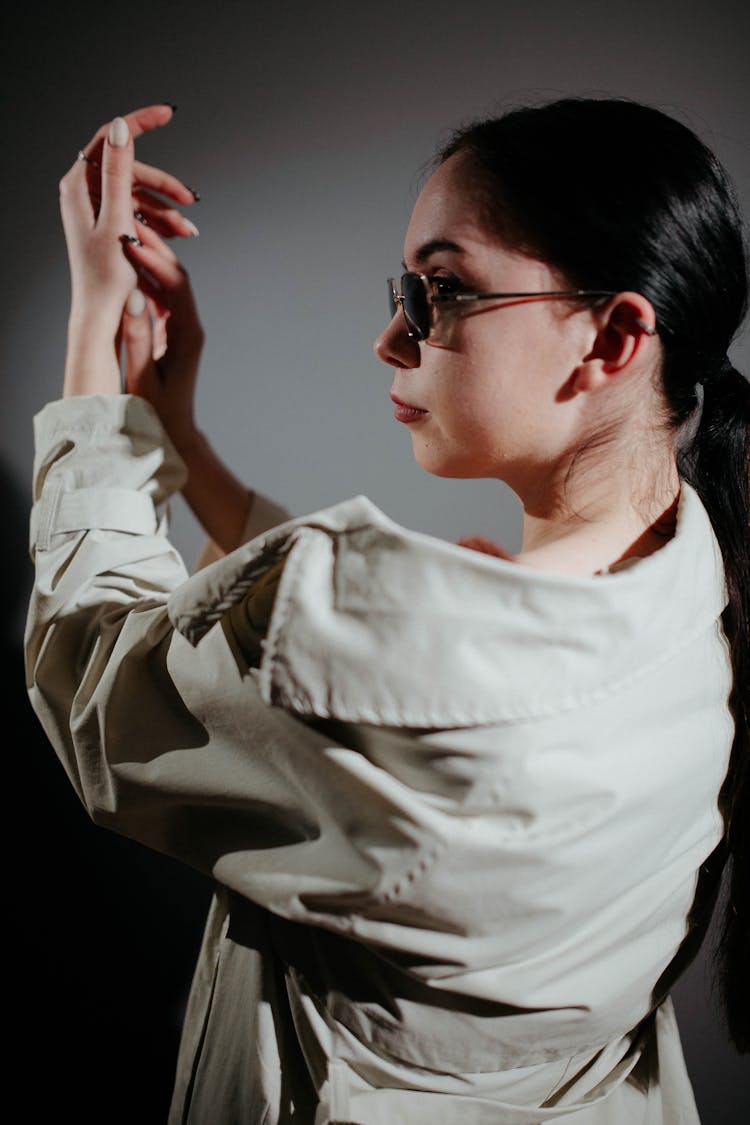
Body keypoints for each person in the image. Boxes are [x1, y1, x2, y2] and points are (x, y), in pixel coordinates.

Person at [24, 96, 748, 1124]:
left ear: (614, 335)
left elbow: (90, 678)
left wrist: (96, 344)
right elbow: (324, 667)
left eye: (441, 291)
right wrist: (179, 437)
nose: (390, 337)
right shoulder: (701, 580)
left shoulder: (386, 627)